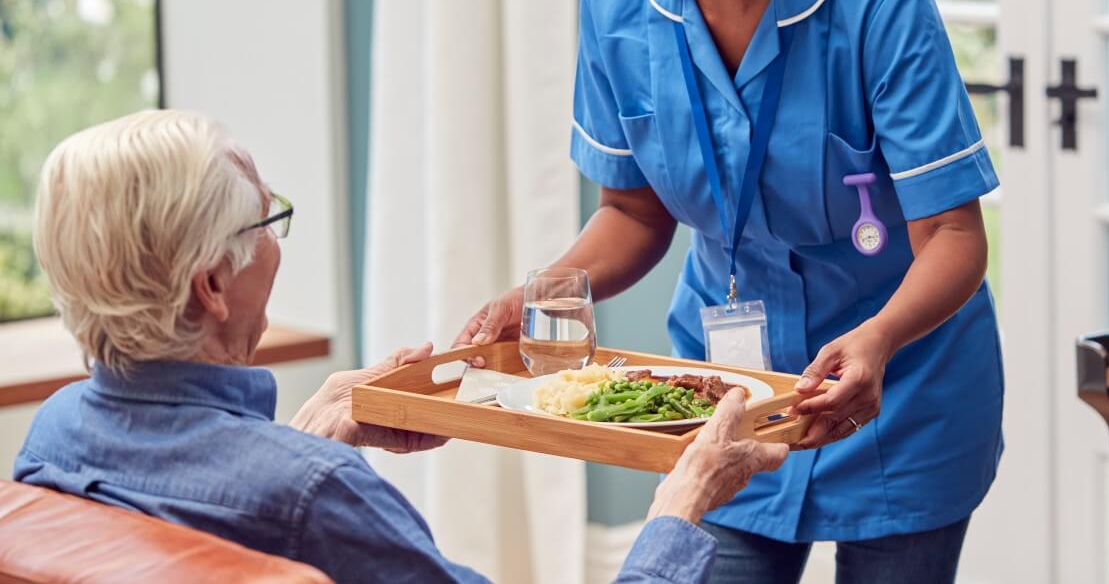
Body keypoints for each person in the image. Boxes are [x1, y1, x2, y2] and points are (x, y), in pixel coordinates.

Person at [455, 0, 1003, 584]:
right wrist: (538, 296)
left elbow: (955, 237)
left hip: (901, 391)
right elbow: (634, 212)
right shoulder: (613, 0)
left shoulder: (879, 4)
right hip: (727, 394)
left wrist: (879, 340)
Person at [14, 109, 789, 584]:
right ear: (211, 286)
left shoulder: (55, 431)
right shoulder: (313, 492)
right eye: (264, 221)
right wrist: (679, 506)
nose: (277, 240)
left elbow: (197, 529)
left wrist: (303, 436)